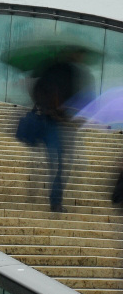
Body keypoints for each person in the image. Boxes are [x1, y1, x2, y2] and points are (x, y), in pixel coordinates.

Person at [30, 49, 91, 212]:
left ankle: (50, 196)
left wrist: (45, 108)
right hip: (62, 123)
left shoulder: (49, 70)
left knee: (56, 163)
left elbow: (36, 91)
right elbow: (80, 99)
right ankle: (55, 201)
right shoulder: (72, 72)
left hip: (51, 120)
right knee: (62, 164)